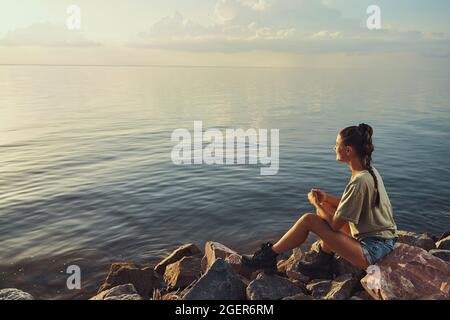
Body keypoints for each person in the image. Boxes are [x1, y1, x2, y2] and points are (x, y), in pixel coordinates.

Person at [242, 123, 398, 276]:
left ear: (348, 150)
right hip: (383, 241)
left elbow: (335, 225)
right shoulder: (369, 171)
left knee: (309, 220)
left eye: (336, 144)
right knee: (327, 207)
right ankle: (323, 262)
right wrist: (326, 199)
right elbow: (348, 206)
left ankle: (268, 256)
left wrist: (316, 203)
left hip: (373, 250)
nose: (333, 148)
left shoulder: (359, 181)